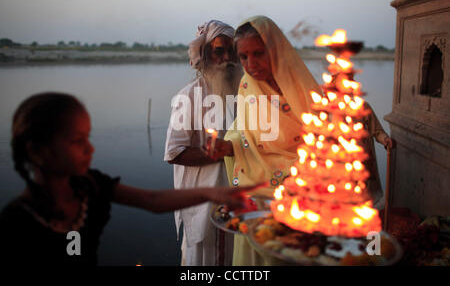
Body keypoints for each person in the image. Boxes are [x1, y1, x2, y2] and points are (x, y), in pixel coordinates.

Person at [0, 92, 259, 266]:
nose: (90, 149)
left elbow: (152, 199)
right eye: (77, 141)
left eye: (88, 138)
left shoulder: (90, 185)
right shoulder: (17, 222)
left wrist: (212, 194)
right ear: (36, 151)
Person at [208, 15, 322, 265]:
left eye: (259, 53)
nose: (251, 64)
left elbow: (324, 146)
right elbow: (243, 135)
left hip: (296, 198)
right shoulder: (248, 87)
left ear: (276, 50)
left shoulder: (305, 91)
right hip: (253, 198)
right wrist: (226, 146)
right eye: (244, 57)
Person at [164, 20, 243, 266]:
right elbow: (174, 153)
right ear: (204, 54)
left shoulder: (246, 94)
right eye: (219, 50)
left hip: (240, 201)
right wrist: (222, 152)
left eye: (233, 51)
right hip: (203, 203)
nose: (228, 58)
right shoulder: (188, 96)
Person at [362, 102, 394, 209]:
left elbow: (377, 131)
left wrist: (384, 139)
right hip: (339, 167)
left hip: (363, 163)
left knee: (364, 201)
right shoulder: (326, 108)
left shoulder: (361, 106)